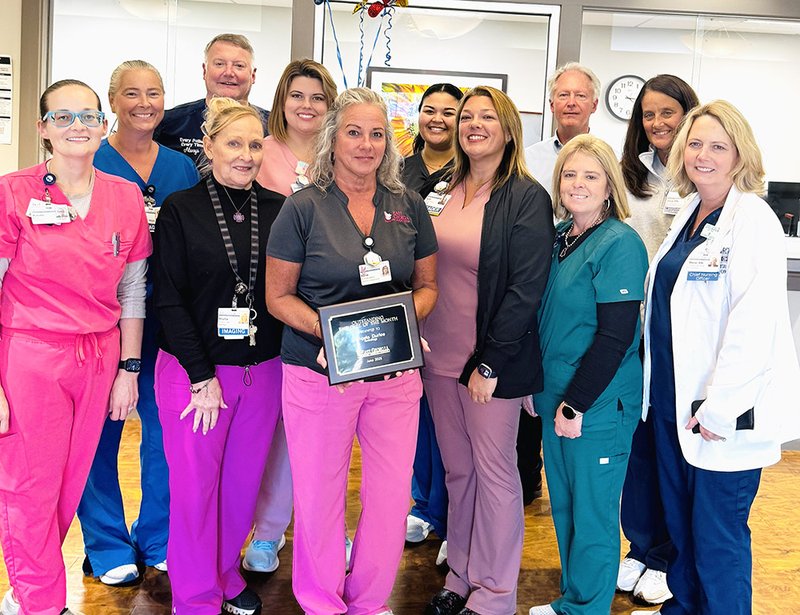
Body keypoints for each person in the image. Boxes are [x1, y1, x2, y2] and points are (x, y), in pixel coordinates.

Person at [265, 87, 438, 615]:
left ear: (389, 143)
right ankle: (321, 602)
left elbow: (427, 287)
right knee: (320, 498)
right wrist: (333, 333)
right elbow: (277, 297)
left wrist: (398, 326)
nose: (366, 144)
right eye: (354, 132)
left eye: (377, 133)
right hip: (318, 375)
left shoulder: (407, 205)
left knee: (388, 500)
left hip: (394, 378)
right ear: (332, 138)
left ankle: (368, 600)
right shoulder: (303, 207)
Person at [631, 100, 800, 615]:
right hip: (671, 403)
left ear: (739, 155)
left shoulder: (752, 221)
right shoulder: (689, 212)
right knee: (681, 527)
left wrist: (722, 405)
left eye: (717, 146)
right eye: (696, 144)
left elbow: (754, 324)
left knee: (718, 536)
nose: (703, 155)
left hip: (721, 414)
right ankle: (682, 609)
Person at [0, 79, 151, 615]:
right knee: (30, 485)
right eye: (62, 117)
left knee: (69, 483)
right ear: (42, 129)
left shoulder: (124, 195)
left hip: (100, 354)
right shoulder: (15, 192)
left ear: (104, 125)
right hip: (30, 356)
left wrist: (129, 368)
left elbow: (133, 286)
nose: (77, 126)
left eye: (87, 116)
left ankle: (27, 583)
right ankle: (42, 601)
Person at [423, 86, 554, 615]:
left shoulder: (525, 196)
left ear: (507, 129)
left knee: (497, 475)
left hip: (488, 366)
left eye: (487, 117)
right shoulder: (444, 187)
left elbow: (526, 289)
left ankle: (496, 592)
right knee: (459, 473)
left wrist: (491, 363)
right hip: (436, 358)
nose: (474, 124)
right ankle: (461, 576)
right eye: (467, 117)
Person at [153, 97, 284, 615]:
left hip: (262, 371)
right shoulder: (181, 209)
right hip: (195, 374)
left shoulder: (278, 209)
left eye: (255, 144)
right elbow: (168, 298)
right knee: (195, 491)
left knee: (241, 486)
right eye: (234, 143)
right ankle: (195, 595)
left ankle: (225, 572)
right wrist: (201, 376)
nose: (246, 155)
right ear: (208, 147)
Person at [74, 60, 199, 588]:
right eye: (131, 93)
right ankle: (105, 543)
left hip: (166, 320)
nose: (144, 103)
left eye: (154, 93)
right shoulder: (90, 161)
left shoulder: (181, 167)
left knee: (165, 434)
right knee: (98, 433)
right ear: (112, 101)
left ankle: (158, 535)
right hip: (102, 322)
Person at [528, 134, 648, 615]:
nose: (578, 184)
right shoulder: (560, 235)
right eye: (570, 174)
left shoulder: (620, 243)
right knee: (565, 505)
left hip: (596, 403)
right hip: (556, 393)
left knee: (593, 512)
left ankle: (587, 607)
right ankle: (573, 598)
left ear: (608, 185)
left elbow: (615, 338)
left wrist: (575, 402)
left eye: (590, 175)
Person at [244, 58, 337, 574]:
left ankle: (320, 532)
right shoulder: (263, 153)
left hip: (327, 311)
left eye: (318, 97)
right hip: (269, 308)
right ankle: (267, 532)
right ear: (280, 100)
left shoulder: (340, 157)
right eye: (297, 95)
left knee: (324, 434)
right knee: (274, 432)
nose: (307, 105)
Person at [615, 74, 699, 606]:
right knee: (637, 448)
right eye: (648, 115)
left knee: (671, 448)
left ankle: (667, 554)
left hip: (676, 335)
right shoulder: (632, 177)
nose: (658, 123)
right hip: (632, 330)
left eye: (669, 112)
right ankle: (640, 545)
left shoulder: (699, 176)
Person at [401, 82, 463, 561]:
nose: (438, 119)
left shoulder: (469, 174)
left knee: (451, 420)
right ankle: (424, 505)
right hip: (405, 308)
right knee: (417, 417)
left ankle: (452, 516)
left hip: (455, 308)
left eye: (450, 111)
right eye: (430, 110)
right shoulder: (399, 171)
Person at [154, 33, 269, 165]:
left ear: (253, 75)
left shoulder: (274, 129)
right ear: (204, 70)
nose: (229, 73)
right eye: (219, 64)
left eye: (239, 66)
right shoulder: (169, 124)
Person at [524, 62, 601, 199]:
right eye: (564, 95)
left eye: (580, 95)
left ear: (594, 105)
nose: (571, 103)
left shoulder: (612, 160)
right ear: (552, 105)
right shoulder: (528, 160)